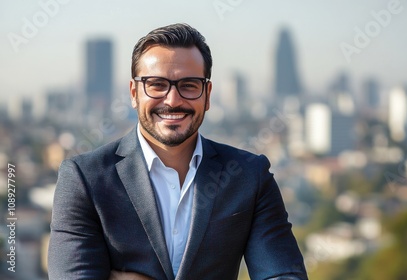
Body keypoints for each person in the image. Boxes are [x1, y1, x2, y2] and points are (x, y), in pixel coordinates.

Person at [48, 23, 307, 280]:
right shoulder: (84, 179)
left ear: (207, 95)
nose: (172, 100)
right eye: (157, 84)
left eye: (189, 85)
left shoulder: (249, 176)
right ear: (133, 93)